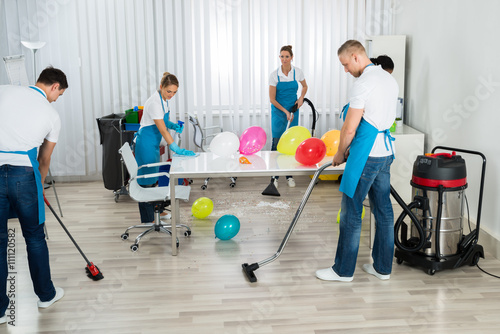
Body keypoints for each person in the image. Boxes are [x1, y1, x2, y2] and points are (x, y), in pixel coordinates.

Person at [316, 40, 398, 282]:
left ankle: (342, 271)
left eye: (345, 65)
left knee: (351, 211)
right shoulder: (388, 79)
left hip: (366, 156)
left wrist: (340, 153)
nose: (345, 71)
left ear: (355, 57)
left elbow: (350, 128)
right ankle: (383, 268)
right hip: (385, 153)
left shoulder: (364, 83)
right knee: (383, 212)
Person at [0, 66, 68, 322]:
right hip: (24, 177)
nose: (56, 99)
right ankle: (45, 295)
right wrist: (37, 187)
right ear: (54, 87)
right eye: (58, 94)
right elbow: (44, 159)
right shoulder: (51, 114)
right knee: (34, 238)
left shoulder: (4, 90)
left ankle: (0, 311)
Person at [134, 72, 195, 224]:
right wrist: (174, 147)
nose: (171, 95)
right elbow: (162, 129)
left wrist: (173, 125)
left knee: (154, 178)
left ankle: (158, 211)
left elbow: (163, 120)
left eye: (174, 92)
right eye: (169, 91)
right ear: (161, 87)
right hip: (146, 144)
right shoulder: (154, 102)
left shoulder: (164, 100)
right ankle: (148, 221)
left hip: (153, 144)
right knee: (145, 182)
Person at [268, 45, 308, 188]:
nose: (284, 59)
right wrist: (285, 112)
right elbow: (272, 99)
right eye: (282, 56)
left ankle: (289, 175)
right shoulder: (275, 75)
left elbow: (305, 86)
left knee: (290, 143)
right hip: (279, 113)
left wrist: (301, 98)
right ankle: (274, 177)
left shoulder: (297, 72)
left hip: (293, 111)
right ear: (279, 57)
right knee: (277, 143)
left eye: (287, 56)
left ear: (291, 58)